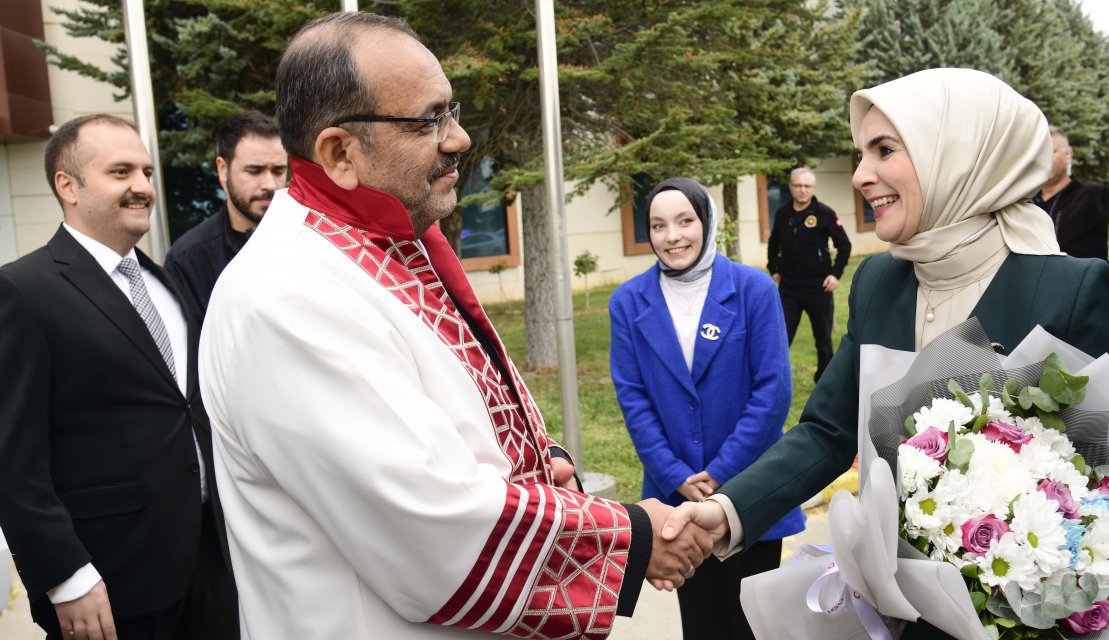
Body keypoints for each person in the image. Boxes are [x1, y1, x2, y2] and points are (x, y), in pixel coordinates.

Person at [197, 12, 710, 639]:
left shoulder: (380, 241)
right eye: (428, 119)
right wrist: (630, 539)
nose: (460, 138)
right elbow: (425, 521)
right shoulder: (283, 297)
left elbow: (451, 402)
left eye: (452, 110)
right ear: (339, 153)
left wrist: (540, 462)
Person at [663, 68, 1109, 638]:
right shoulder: (878, 282)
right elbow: (828, 430)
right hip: (892, 613)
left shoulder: (1066, 290)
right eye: (860, 153)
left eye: (884, 150)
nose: (862, 175)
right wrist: (726, 513)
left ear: (957, 155)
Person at [0, 114, 237, 640]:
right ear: (69, 186)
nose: (143, 188)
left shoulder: (164, 278)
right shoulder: (23, 291)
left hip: (211, 562)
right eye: (121, 172)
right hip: (112, 582)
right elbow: (12, 458)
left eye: (147, 172)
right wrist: (65, 576)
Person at [609, 178, 806, 639]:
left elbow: (773, 392)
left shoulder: (754, 289)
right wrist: (675, 473)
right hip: (677, 497)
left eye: (684, 221)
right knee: (701, 625)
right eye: (658, 225)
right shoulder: (628, 302)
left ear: (707, 221)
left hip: (749, 489)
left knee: (755, 624)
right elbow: (633, 399)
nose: (672, 236)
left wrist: (719, 473)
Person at [165, 110, 288, 315]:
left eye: (278, 171)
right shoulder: (189, 259)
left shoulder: (310, 241)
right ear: (223, 170)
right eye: (254, 171)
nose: (269, 184)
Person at [767, 167, 852, 382]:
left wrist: (835, 274)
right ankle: (776, 379)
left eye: (807, 186)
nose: (803, 190)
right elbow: (773, 242)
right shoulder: (782, 213)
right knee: (781, 337)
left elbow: (844, 245)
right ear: (790, 187)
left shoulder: (825, 213)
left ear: (813, 188)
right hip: (789, 287)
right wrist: (774, 269)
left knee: (823, 338)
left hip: (818, 286)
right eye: (798, 185)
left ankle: (825, 380)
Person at [1032, 127, 1109, 261]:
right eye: (1039, 153)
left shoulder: (1092, 195)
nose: (1045, 159)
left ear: (1068, 154)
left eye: (1052, 151)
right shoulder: (1026, 201)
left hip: (1079, 277)